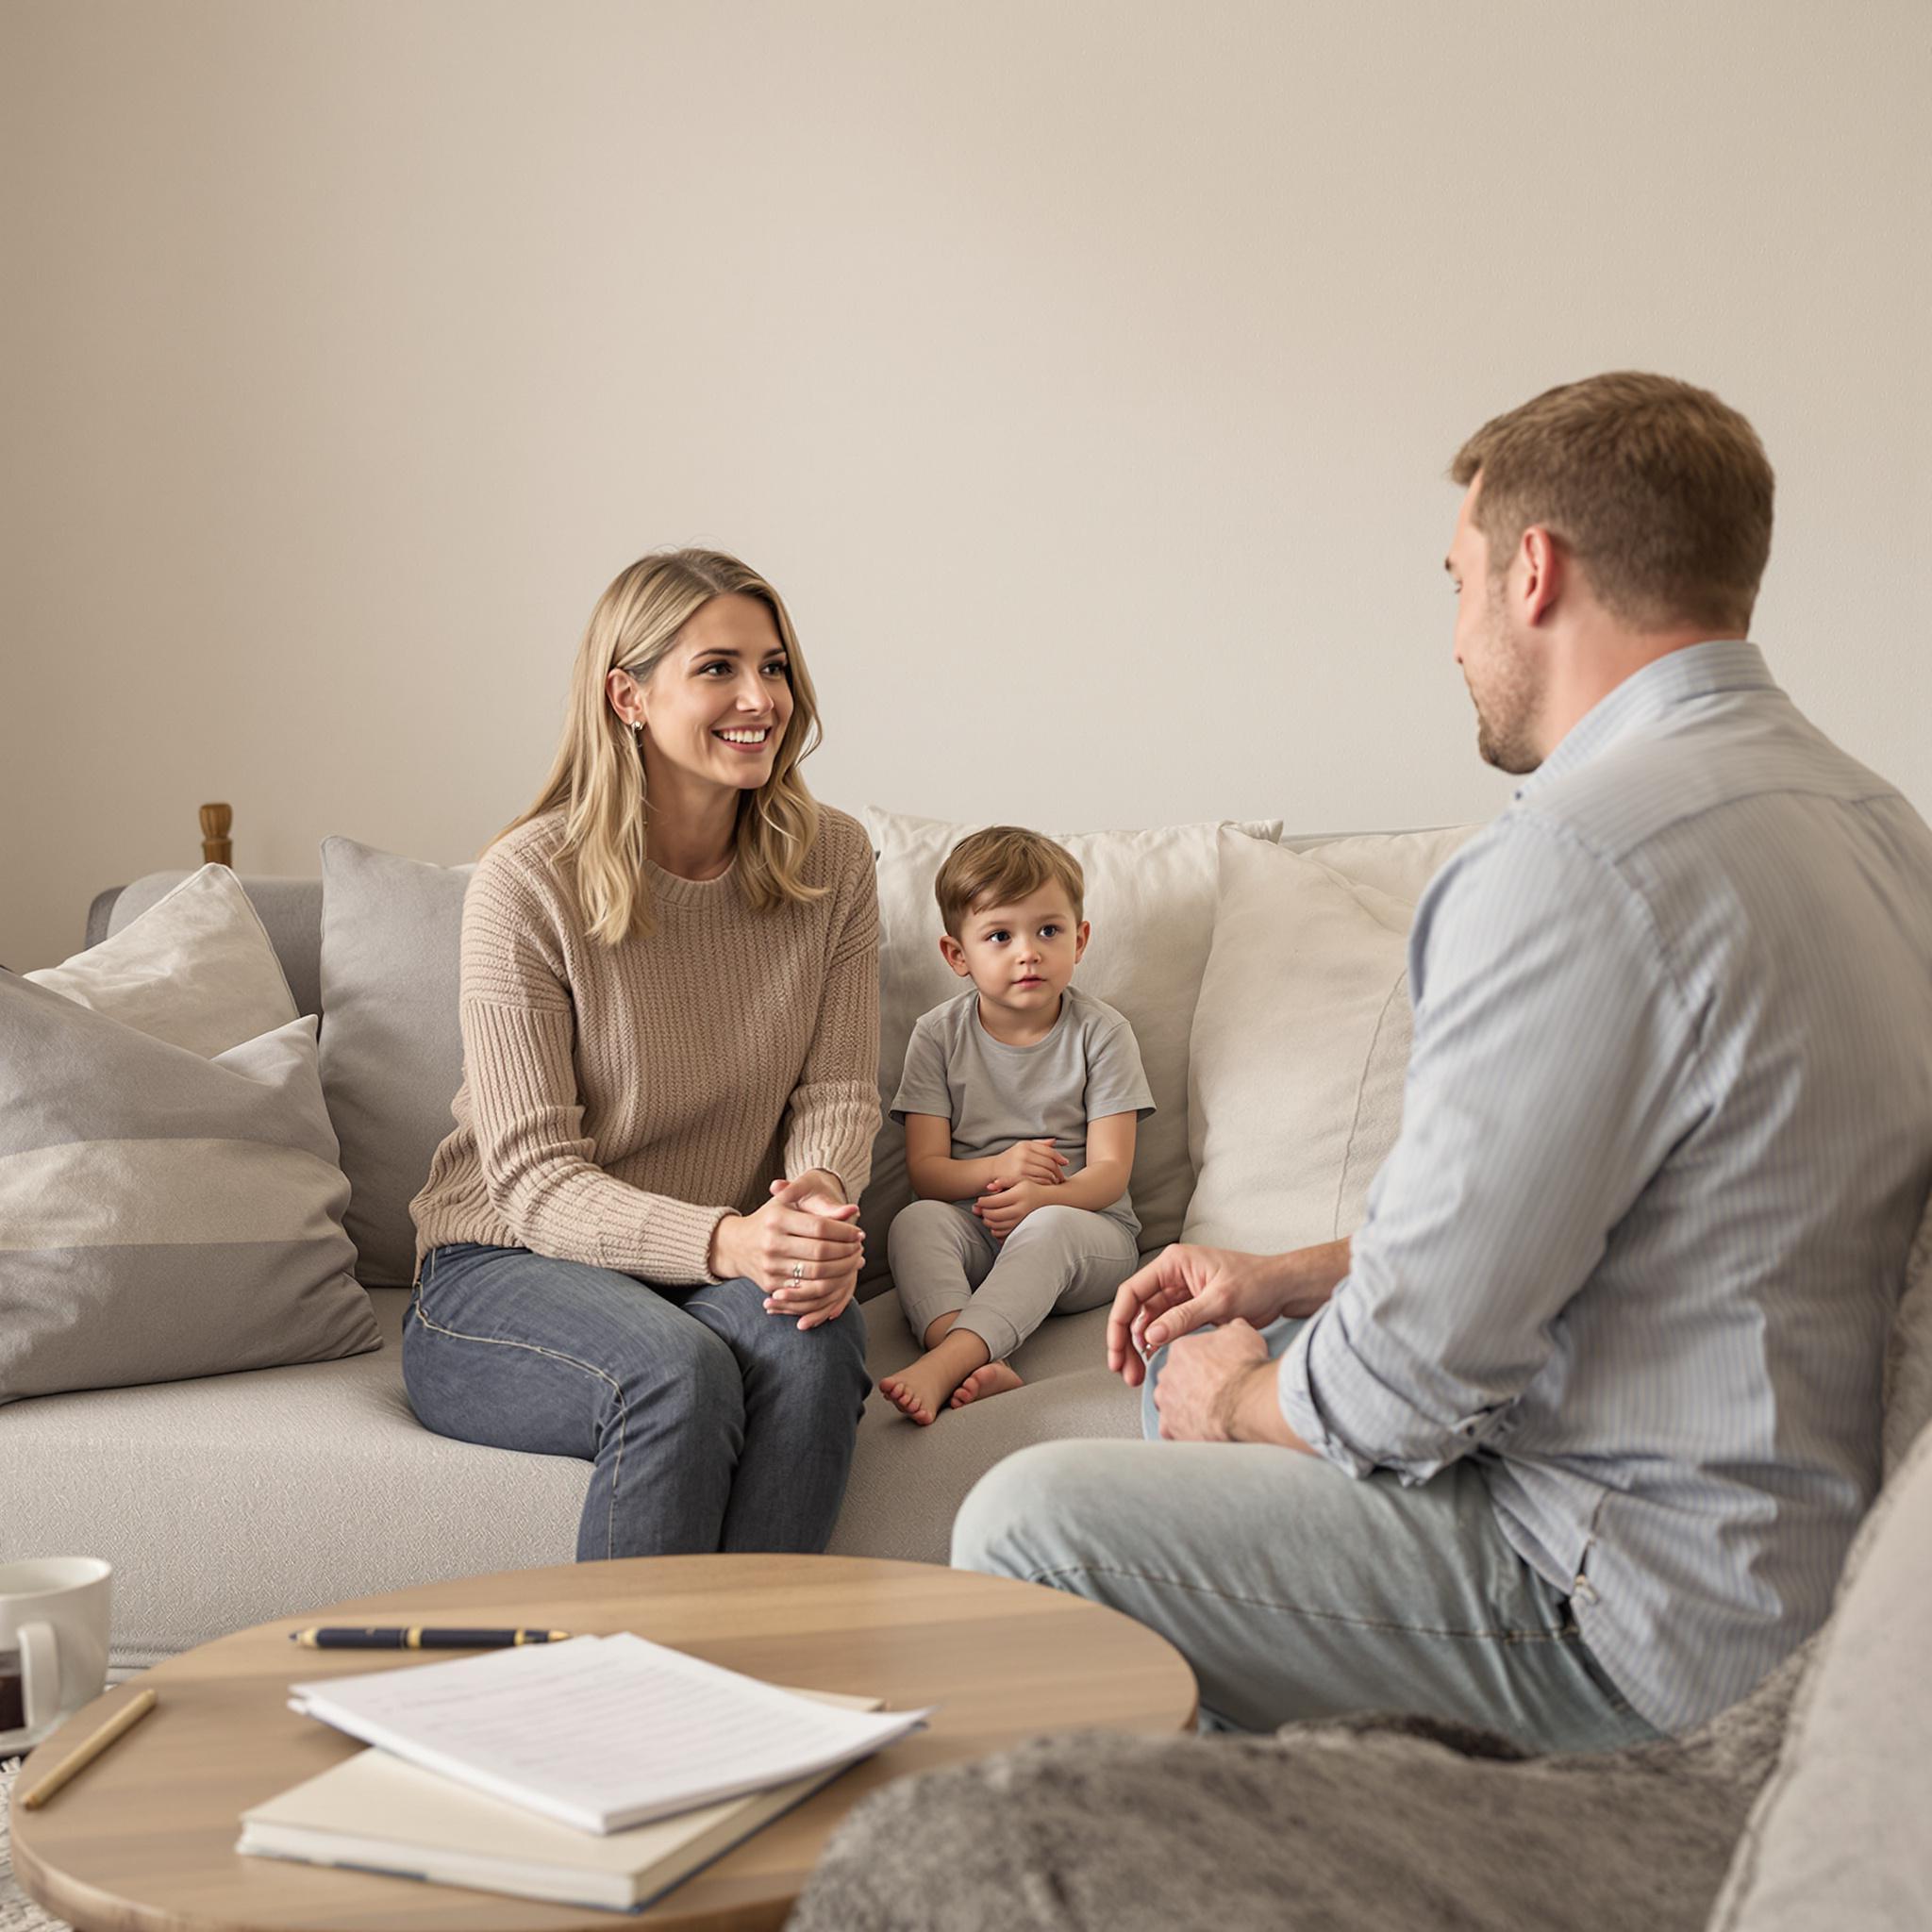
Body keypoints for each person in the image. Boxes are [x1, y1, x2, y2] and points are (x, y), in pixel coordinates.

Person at [953, 372, 1932, 1750]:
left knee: (1033, 1519)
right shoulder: (1878, 826)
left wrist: (1226, 1393)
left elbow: (1404, 1393)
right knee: (1270, 1349)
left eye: (1456, 578)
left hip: (1636, 1614)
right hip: (1825, 1579)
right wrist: (1292, 1277)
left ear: (1534, 572)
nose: (1453, 634)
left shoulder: (1573, 860)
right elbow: (1656, 1219)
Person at [405, 548, 879, 1560]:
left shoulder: (831, 858)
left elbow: (838, 1088)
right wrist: (733, 1243)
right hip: (504, 1267)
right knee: (674, 1369)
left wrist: (813, 1204)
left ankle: (760, 1695)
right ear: (627, 694)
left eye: (775, 665)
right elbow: (531, 1178)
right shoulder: (527, 879)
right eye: (717, 668)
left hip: (713, 1260)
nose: (761, 697)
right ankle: (628, 1711)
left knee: (814, 1340)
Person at [878, 826, 1154, 1424]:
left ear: (1079, 940)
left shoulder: (1102, 1034)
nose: (1027, 951)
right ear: (958, 955)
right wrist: (998, 1171)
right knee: (914, 1222)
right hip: (978, 1228)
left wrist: (1044, 1196)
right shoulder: (936, 1036)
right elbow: (927, 1174)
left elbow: (1110, 1172)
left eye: (1048, 931)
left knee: (1050, 1226)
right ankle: (968, 1357)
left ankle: (944, 1363)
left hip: (1086, 1233)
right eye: (999, 935)